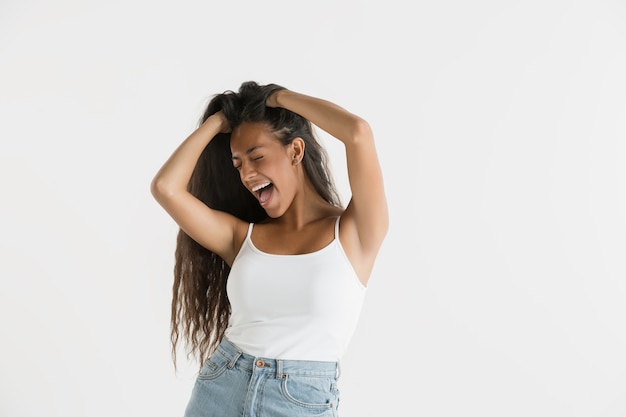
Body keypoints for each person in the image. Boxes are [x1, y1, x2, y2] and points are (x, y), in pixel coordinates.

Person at [150, 80, 388, 417]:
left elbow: (358, 132)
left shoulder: (355, 231)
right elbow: (166, 188)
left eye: (256, 157)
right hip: (221, 386)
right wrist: (219, 120)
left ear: (295, 151)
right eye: (238, 165)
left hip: (300, 399)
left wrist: (275, 99)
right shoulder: (240, 237)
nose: (247, 174)